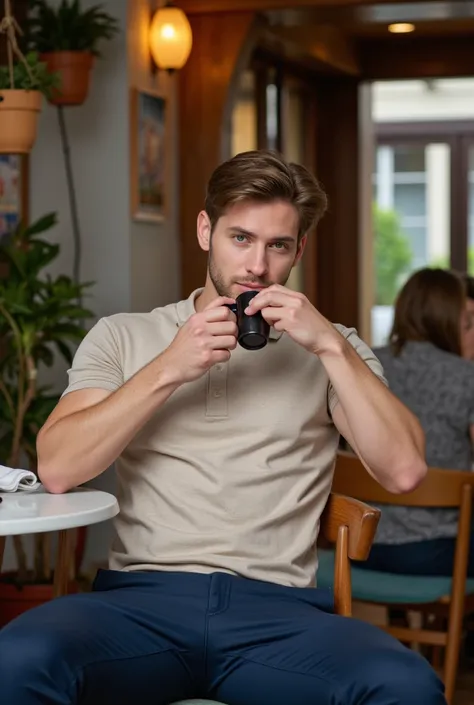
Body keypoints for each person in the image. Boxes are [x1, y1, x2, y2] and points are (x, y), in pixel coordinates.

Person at [0, 150, 442, 705]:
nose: (257, 265)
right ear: (206, 230)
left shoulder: (335, 349)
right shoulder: (124, 336)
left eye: (278, 245)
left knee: (406, 684)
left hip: (279, 614)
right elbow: (59, 469)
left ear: (298, 250)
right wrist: (168, 368)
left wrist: (329, 343)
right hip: (140, 605)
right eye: (241, 238)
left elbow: (404, 471)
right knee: (14, 662)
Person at [365, 268, 474, 577]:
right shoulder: (466, 377)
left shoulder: (365, 365)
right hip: (435, 550)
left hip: (362, 544)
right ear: (450, 318)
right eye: (466, 320)